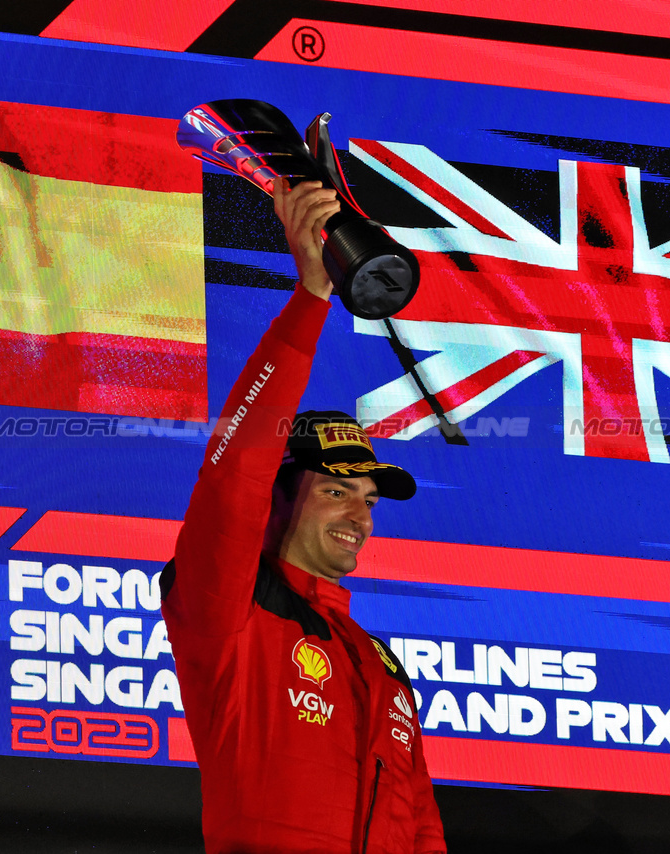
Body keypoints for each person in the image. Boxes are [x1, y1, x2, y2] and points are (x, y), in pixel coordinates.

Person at [161, 179, 447, 854]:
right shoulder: (228, 611)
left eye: (369, 500)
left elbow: (423, 827)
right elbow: (236, 473)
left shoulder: (379, 665)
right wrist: (311, 299)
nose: (360, 516)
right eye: (336, 491)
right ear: (279, 495)